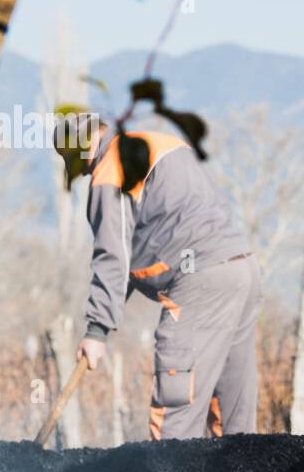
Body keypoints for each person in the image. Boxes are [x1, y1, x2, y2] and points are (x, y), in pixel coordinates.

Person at [60, 120, 261, 441]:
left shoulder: (111, 166)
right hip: (242, 270)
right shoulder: (161, 143)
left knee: (176, 405)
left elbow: (112, 254)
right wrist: (106, 319)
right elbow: (131, 252)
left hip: (199, 283)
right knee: (232, 404)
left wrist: (97, 330)